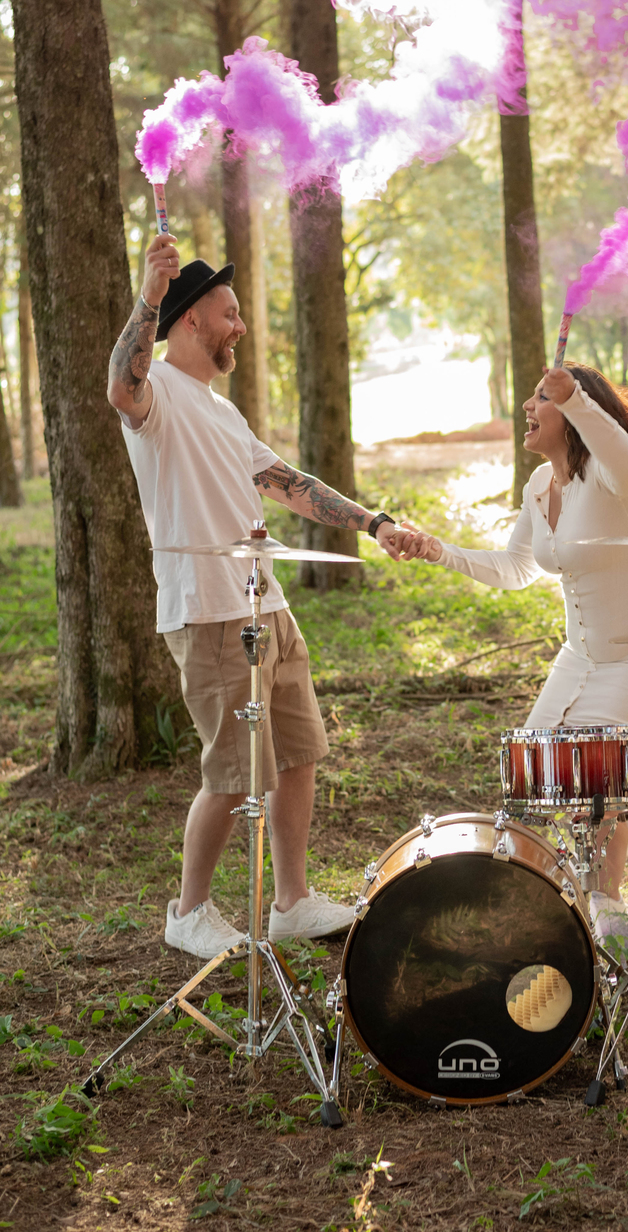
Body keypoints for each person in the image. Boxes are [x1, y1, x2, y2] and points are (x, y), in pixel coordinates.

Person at [107, 232, 409, 961]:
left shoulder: (223, 411)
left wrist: (374, 523)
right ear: (190, 319)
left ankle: (292, 902)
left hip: (266, 605)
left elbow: (290, 485)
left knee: (298, 753)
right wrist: (149, 293)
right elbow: (121, 383)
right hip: (209, 612)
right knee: (232, 769)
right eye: (230, 313)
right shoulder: (158, 395)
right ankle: (188, 911)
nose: (240, 326)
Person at [398, 363, 628, 943]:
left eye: (542, 397)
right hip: (581, 657)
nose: (527, 406)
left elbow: (627, 459)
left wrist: (577, 399)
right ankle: (577, 895)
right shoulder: (540, 486)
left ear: (571, 412)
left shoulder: (614, 479)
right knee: (540, 774)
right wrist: (439, 550)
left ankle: (607, 915)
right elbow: (516, 568)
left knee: (591, 772)